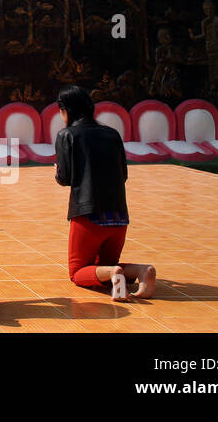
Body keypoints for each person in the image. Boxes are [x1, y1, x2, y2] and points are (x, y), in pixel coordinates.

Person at [53, 85, 157, 300]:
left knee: (78, 272)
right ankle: (141, 271)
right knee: (106, 263)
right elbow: (123, 174)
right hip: (119, 216)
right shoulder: (112, 134)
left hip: (88, 216)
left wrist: (57, 172)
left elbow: (64, 178)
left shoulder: (66, 135)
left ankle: (114, 274)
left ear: (65, 110)